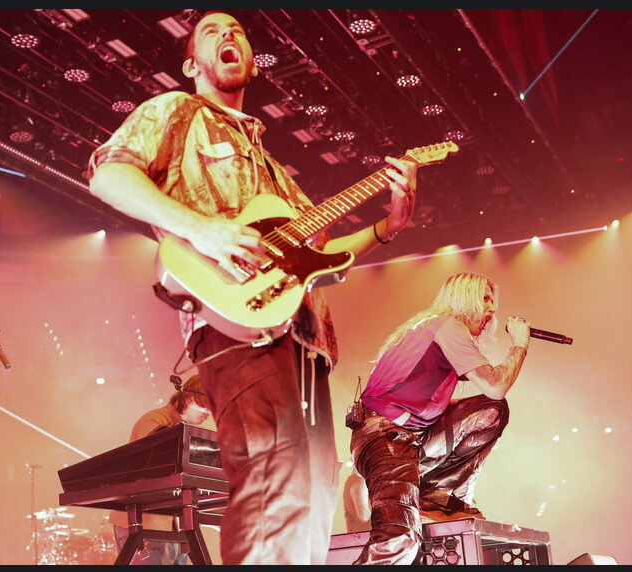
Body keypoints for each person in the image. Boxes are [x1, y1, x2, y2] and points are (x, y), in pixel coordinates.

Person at [86, 10, 418, 565]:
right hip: (236, 324)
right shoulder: (175, 112)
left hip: (308, 346)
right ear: (191, 63)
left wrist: (389, 228)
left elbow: (327, 255)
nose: (228, 36)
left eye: (237, 30)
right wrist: (201, 228)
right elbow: (107, 172)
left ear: (255, 63)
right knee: (272, 483)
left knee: (311, 504)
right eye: (212, 32)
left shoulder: (275, 171)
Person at [348, 272, 530, 564]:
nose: (492, 310)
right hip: (385, 437)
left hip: (408, 436)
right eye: (484, 298)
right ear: (463, 297)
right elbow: (495, 385)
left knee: (490, 411)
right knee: (399, 536)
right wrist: (519, 346)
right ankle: (431, 496)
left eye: (494, 301)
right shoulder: (448, 326)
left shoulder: (429, 328)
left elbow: (481, 400)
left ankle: (437, 496)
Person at [109, 375, 212, 565]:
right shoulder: (154, 421)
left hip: (173, 524)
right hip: (144, 522)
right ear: (188, 398)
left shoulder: (185, 429)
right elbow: (154, 470)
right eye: (204, 405)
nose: (208, 412)